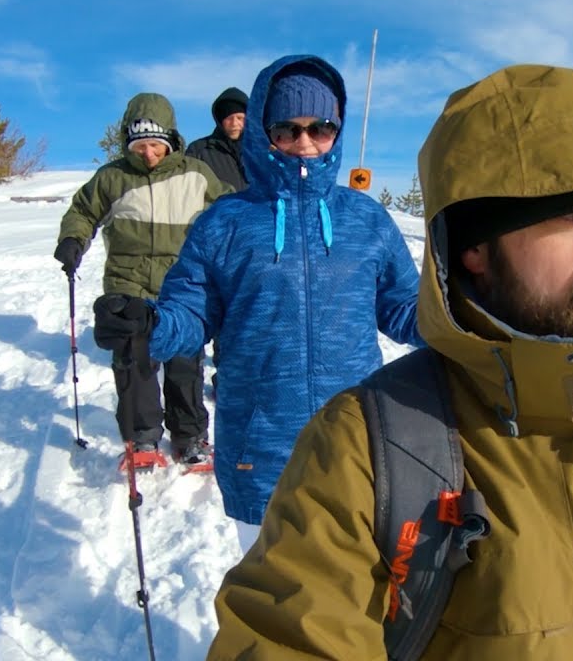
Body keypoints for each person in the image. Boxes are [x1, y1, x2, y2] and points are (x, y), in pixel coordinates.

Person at [206, 65, 573, 659]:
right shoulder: (368, 455)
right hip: (265, 432)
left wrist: (443, 332)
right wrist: (157, 328)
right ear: (475, 247)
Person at [92, 55, 422, 550]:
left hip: (357, 444)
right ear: (263, 133)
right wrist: (149, 325)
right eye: (286, 129)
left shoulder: (366, 219)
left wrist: (469, 318)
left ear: (337, 131)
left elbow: (405, 309)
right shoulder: (226, 221)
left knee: (362, 586)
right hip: (258, 447)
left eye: (320, 128)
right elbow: (192, 310)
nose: (304, 143)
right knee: (270, 585)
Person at [54, 92, 231, 470]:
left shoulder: (196, 175)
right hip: (128, 283)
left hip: (182, 286)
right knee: (135, 363)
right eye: (139, 146)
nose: (148, 154)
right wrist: (72, 239)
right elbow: (83, 211)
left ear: (171, 140)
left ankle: (190, 436)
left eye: (155, 144)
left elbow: (230, 212)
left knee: (185, 364)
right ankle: (142, 438)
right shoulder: (112, 177)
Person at [186, 87, 249, 191]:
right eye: (229, 118)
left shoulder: (261, 150)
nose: (234, 123)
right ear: (220, 121)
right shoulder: (198, 150)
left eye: (240, 118)